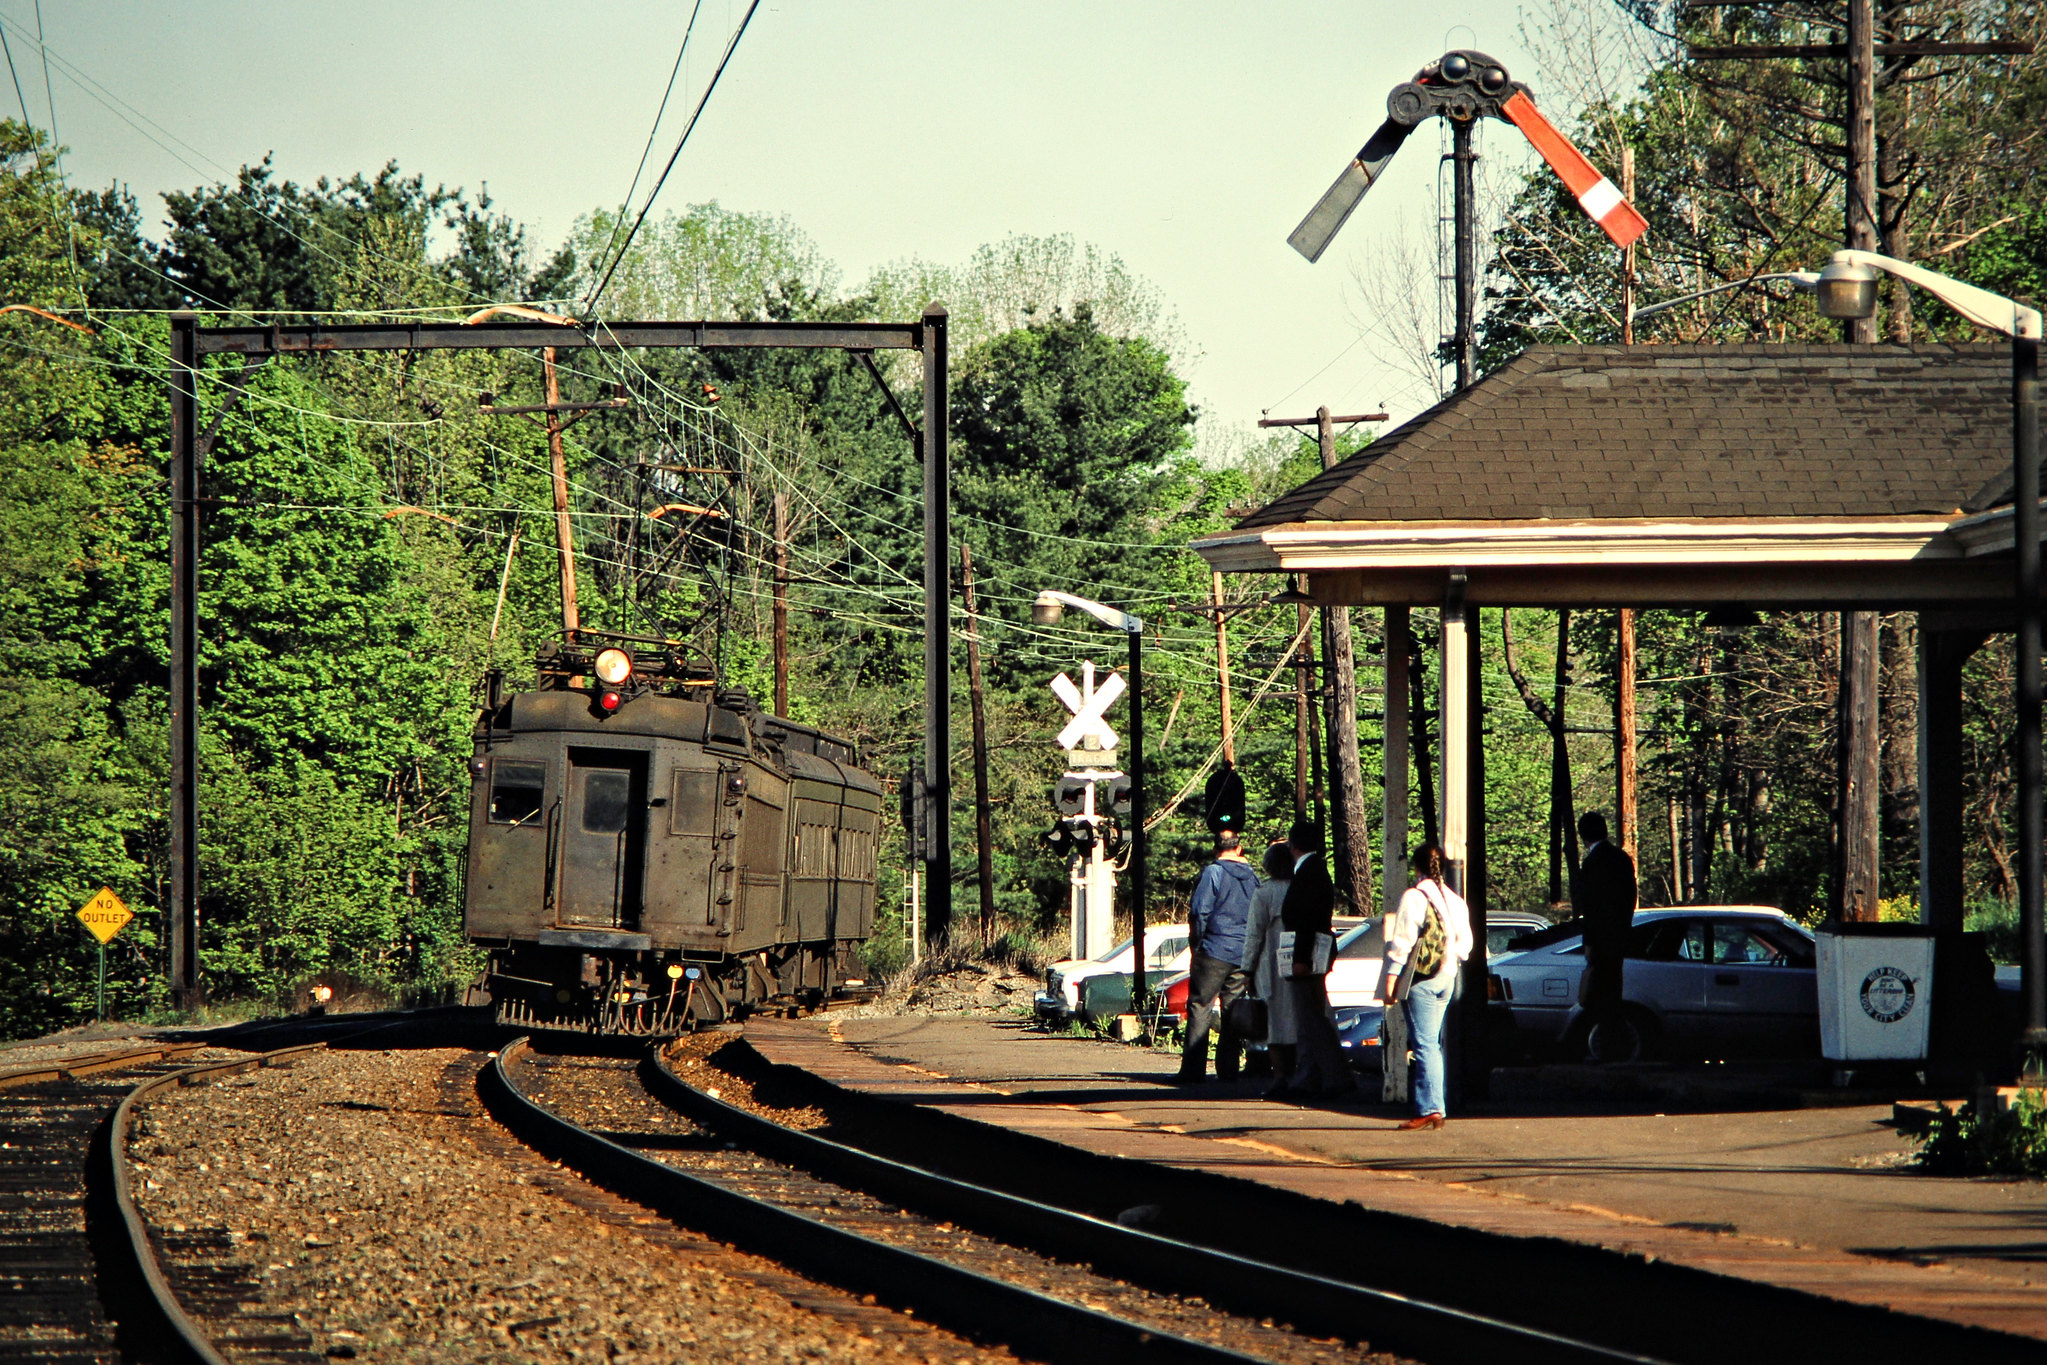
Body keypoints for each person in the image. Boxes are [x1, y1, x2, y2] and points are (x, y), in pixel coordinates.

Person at [1381, 842, 1473, 1129]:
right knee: (1433, 1043)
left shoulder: (1414, 896)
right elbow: (1466, 944)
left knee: (1424, 1044)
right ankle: (1435, 1105)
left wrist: (1391, 977)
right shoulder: (1456, 900)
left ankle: (1431, 1107)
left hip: (1422, 977)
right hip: (1448, 975)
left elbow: (1404, 940)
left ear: (1417, 867)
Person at [1276, 821, 1353, 1099]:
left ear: (1293, 845)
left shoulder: (1308, 873)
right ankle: (1308, 1076)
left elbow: (1305, 919)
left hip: (1307, 955)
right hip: (1312, 953)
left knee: (1313, 1017)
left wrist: (1301, 957)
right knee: (1309, 1018)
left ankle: (1335, 1077)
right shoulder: (1316, 869)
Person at [1178, 830, 1259, 1082]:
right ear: (1239, 849)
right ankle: (1228, 1070)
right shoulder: (1253, 877)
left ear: (1216, 850)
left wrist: (1197, 944)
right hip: (1242, 952)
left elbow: (1199, 911)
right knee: (1232, 1010)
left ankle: (1193, 1071)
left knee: (1200, 1005)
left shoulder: (1213, 872)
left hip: (1213, 949)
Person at [1574, 811, 1639, 1061]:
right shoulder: (1621, 859)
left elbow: (1590, 907)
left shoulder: (1592, 864)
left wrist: (1589, 941)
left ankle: (1606, 1046)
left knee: (1599, 995)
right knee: (1614, 990)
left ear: (1583, 837)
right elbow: (1629, 898)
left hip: (1600, 939)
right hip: (1619, 936)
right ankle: (1615, 1044)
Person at [1241, 840, 1298, 1083]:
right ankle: (1299, 1073)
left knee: (1273, 1021)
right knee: (1296, 1017)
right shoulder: (1299, 889)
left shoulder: (1263, 893)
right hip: (1297, 959)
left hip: (1269, 963)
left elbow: (1254, 934)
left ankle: (1280, 1075)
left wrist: (1247, 969)